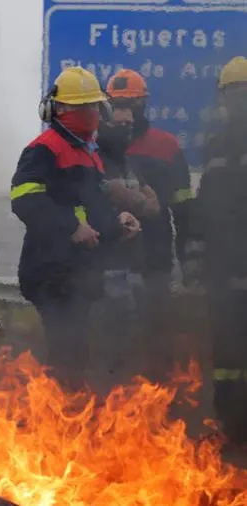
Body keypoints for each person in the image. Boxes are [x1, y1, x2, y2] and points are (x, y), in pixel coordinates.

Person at [10, 66, 141, 391]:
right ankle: (54, 420)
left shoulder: (88, 153)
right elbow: (24, 199)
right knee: (65, 353)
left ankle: (67, 417)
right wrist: (71, 226)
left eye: (96, 106)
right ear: (62, 110)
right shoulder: (44, 148)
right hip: (52, 270)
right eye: (86, 107)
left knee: (77, 353)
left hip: (78, 272)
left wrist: (117, 223)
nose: (93, 114)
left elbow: (92, 210)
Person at [105, 69, 193, 381]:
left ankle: (161, 409)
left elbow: (183, 210)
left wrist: (189, 261)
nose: (125, 113)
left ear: (145, 105)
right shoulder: (98, 148)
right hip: (111, 261)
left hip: (155, 260)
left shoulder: (166, 146)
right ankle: (114, 410)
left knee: (158, 339)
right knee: (113, 344)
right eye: (117, 105)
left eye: (132, 104)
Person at [186, 55, 247, 446]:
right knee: (226, 359)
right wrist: (195, 258)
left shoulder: (217, 144)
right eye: (233, 94)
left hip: (226, 270)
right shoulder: (216, 145)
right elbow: (205, 207)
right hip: (223, 273)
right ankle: (233, 430)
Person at [92, 103, 161, 376]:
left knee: (133, 341)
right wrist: (137, 201)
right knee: (107, 343)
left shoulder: (129, 164)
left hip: (134, 265)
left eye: (129, 125)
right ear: (104, 126)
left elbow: (154, 205)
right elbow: (115, 194)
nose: (126, 131)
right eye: (119, 125)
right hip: (106, 266)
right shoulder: (94, 159)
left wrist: (134, 200)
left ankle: (125, 403)